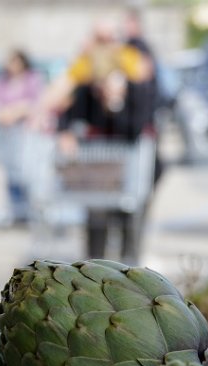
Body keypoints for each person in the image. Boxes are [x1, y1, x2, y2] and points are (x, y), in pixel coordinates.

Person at [56, 29, 153, 262]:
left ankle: (129, 267)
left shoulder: (137, 89)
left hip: (131, 168)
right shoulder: (88, 91)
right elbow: (68, 114)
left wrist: (115, 105)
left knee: (129, 218)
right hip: (101, 171)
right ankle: (95, 266)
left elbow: (134, 129)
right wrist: (66, 133)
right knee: (97, 217)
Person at [0, 49, 42, 223]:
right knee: (10, 172)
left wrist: (16, 112)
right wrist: (1, 114)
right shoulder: (2, 81)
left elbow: (35, 102)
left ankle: (28, 209)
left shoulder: (32, 79)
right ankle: (15, 209)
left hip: (25, 132)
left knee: (25, 173)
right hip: (7, 132)